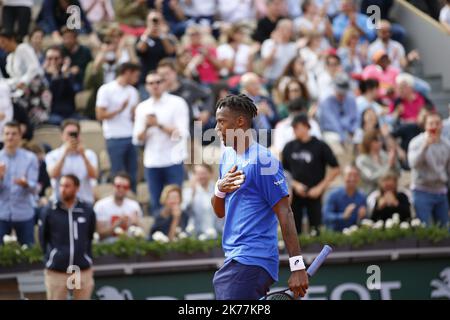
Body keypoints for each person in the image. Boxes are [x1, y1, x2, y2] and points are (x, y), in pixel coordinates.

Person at [212, 94, 309, 300]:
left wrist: (297, 266)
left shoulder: (264, 160)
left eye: (221, 122)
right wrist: (219, 189)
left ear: (240, 122)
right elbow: (220, 212)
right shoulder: (227, 157)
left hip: (253, 259)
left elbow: (285, 212)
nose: (217, 128)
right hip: (234, 258)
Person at [133, 72, 189, 216]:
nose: (155, 86)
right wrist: (147, 126)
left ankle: (177, 232)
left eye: (158, 82)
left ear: (164, 83)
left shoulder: (177, 103)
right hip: (152, 161)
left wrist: (158, 125)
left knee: (177, 201)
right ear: (146, 86)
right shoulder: (142, 107)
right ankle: (159, 236)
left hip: (173, 160)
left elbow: (182, 133)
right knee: (155, 203)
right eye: (151, 83)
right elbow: (137, 139)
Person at [39, 174, 96, 300]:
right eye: (61, 185)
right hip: (57, 270)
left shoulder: (87, 210)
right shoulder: (49, 210)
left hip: (81, 270)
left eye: (67, 186)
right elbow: (43, 237)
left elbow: (90, 235)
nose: (63, 189)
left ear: (77, 188)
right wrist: (53, 256)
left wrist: (86, 257)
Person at [282, 113, 340, 234]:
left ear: (305, 126)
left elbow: (336, 168)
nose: (294, 131)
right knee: (295, 231)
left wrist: (320, 187)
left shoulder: (320, 146)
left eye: (296, 127)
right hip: (296, 194)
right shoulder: (289, 147)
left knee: (316, 229)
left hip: (315, 193)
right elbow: (283, 171)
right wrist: (295, 184)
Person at [96, 63, 140, 192]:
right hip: (114, 137)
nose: (137, 78)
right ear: (127, 72)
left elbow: (133, 116)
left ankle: (132, 201)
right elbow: (100, 114)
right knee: (118, 173)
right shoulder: (106, 89)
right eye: (135, 75)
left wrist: (135, 114)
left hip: (131, 136)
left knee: (133, 173)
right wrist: (119, 110)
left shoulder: (132, 91)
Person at [408, 113, 450, 227]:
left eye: (437, 123)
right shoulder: (416, 142)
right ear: (425, 126)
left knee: (445, 230)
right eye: (431, 123)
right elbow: (413, 163)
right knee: (423, 229)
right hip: (422, 191)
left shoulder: (447, 144)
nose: (434, 126)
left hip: (441, 191)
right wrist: (425, 147)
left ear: (442, 125)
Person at [0, 121, 39, 245]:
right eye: (7, 134)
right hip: (1, 213)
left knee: (29, 255)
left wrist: (25, 183)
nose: (10, 137)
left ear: (20, 136)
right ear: (2, 136)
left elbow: (35, 188)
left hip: (24, 213)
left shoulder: (30, 158)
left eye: (14, 134)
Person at [45, 119, 98, 204]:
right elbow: (53, 175)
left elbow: (94, 175)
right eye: (69, 134)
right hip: (61, 203)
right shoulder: (52, 155)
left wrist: (83, 156)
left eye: (75, 134)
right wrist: (64, 154)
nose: (72, 137)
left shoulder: (89, 154)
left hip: (84, 202)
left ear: (79, 135)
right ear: (62, 136)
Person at [94, 172, 143, 242]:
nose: (121, 189)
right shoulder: (101, 205)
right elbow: (100, 234)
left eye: (125, 187)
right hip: (107, 245)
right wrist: (117, 224)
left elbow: (142, 233)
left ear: (128, 189)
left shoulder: (134, 205)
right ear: (112, 186)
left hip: (130, 244)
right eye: (118, 186)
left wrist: (136, 223)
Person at [136, 10, 176, 89]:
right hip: (147, 81)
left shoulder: (167, 38)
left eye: (157, 20)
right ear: (147, 22)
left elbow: (170, 52)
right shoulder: (142, 38)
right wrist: (148, 32)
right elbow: (140, 50)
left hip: (164, 81)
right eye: (152, 20)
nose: (155, 23)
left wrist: (161, 34)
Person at [43, 46, 81, 125]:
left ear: (62, 60)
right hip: (51, 113)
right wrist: (55, 77)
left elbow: (72, 92)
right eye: (49, 59)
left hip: (70, 113)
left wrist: (64, 75)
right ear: (45, 60)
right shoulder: (42, 77)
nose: (53, 62)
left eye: (56, 59)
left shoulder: (67, 75)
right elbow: (53, 95)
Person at [323, 165, 366, 232]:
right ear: (343, 177)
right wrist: (342, 216)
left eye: (355, 176)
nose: (352, 178)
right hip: (335, 234)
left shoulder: (362, 196)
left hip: (355, 234)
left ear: (359, 178)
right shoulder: (333, 195)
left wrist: (362, 216)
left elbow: (364, 220)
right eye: (349, 175)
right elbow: (325, 216)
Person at [356, 130, 399, 195]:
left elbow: (397, 173)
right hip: (373, 192)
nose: (380, 142)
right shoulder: (361, 160)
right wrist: (389, 165)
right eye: (377, 140)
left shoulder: (384, 154)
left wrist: (394, 163)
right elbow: (371, 177)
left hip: (391, 190)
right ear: (369, 142)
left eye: (380, 140)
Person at [183, 164, 222, 238]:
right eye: (198, 174)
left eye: (204, 173)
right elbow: (184, 211)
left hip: (218, 233)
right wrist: (192, 194)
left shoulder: (218, 190)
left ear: (211, 174)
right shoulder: (189, 191)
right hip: (196, 235)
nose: (201, 176)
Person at [60, 27, 93, 92]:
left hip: (81, 81)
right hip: (64, 80)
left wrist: (78, 71)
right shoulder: (61, 51)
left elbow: (90, 68)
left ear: (75, 38)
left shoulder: (85, 51)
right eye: (65, 38)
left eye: (69, 38)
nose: (67, 41)